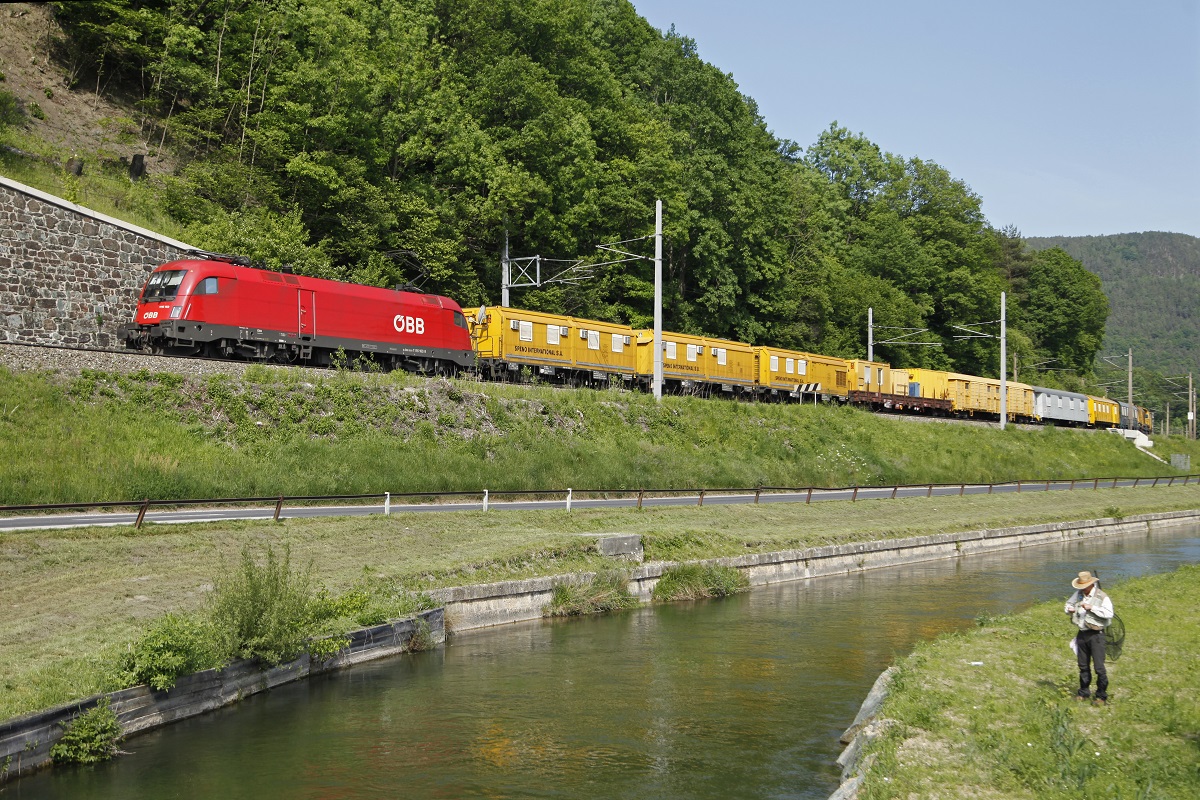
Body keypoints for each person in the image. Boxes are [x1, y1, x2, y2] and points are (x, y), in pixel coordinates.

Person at [1065, 570, 1114, 704]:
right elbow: (1067, 604)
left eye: (1084, 587)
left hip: (1096, 635)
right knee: (1083, 665)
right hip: (1082, 634)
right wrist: (1069, 609)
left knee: (1099, 667)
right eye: (1080, 587)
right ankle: (1083, 692)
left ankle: (1101, 696)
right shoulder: (1078, 594)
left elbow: (1109, 614)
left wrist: (1091, 607)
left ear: (1091, 585)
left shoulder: (1102, 596)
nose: (1082, 590)